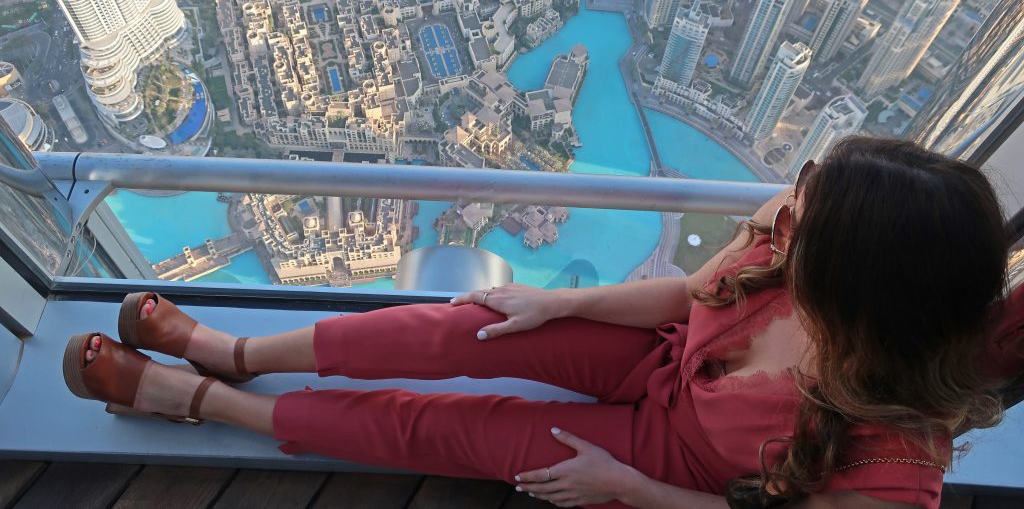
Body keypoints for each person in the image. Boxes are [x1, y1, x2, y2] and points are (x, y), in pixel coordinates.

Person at [62, 137, 1018, 509]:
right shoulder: (792, 227)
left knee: (447, 429)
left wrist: (628, 487)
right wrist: (556, 301)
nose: (783, 213)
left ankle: (210, 405)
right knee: (465, 326)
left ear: (859, 287)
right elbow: (695, 299)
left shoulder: (895, 465)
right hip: (656, 356)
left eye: (807, 222)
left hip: (665, 457)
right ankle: (232, 349)